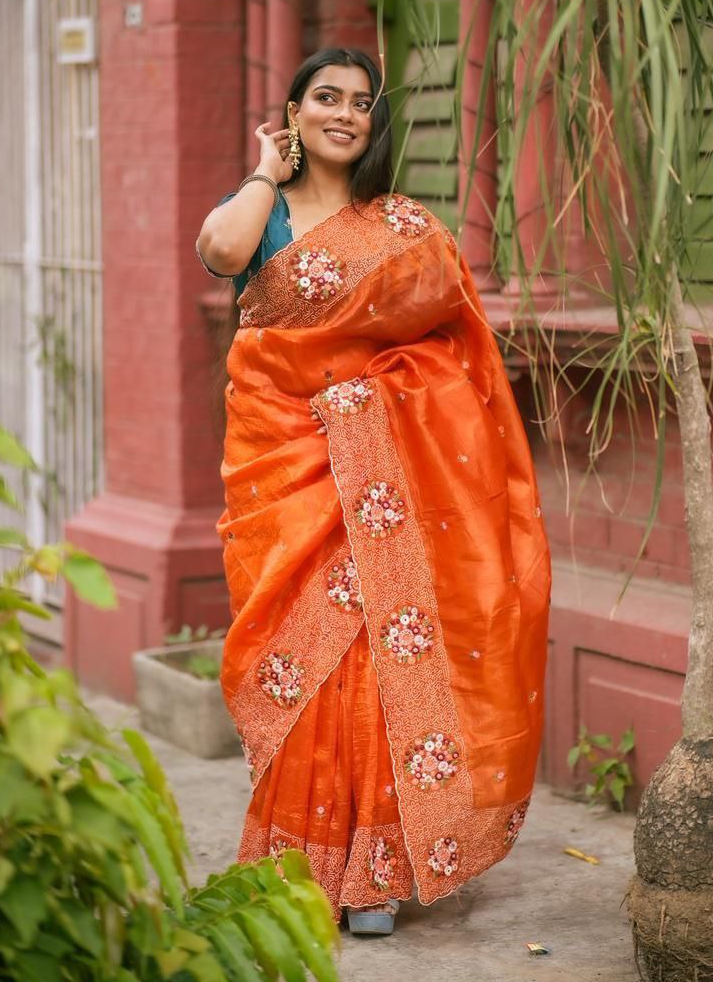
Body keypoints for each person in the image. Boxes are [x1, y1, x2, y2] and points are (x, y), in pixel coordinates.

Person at [196, 46, 550, 935]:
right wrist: (265, 170)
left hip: (381, 470)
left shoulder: (400, 228)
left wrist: (369, 400)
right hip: (281, 466)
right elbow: (219, 252)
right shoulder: (264, 211)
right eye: (325, 97)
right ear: (295, 112)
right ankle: (298, 864)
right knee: (304, 663)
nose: (344, 114)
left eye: (360, 102)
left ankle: (376, 872)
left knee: (372, 655)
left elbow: (452, 349)